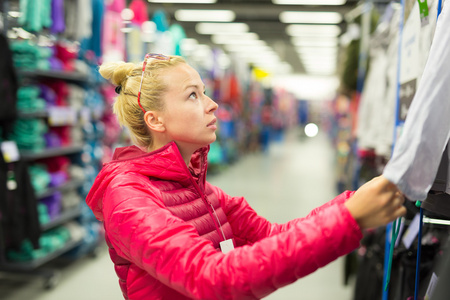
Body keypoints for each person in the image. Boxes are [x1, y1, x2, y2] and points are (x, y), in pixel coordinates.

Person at [86, 53, 406, 300]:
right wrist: (348, 218)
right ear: (155, 119)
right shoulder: (128, 197)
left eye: (205, 93)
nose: (212, 105)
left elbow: (273, 235)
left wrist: (353, 206)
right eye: (193, 96)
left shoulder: (203, 191)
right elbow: (212, 278)